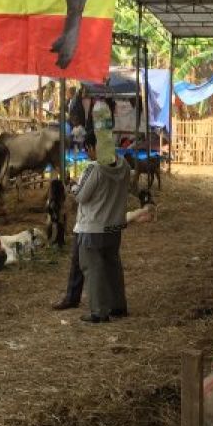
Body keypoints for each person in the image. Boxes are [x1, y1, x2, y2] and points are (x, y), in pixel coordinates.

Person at [70, 130, 131, 323]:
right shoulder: (124, 165)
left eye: (87, 149)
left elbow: (81, 196)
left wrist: (72, 186)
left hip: (93, 227)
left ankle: (99, 311)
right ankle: (118, 305)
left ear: (92, 147)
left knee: (93, 268)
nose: (87, 154)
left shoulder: (94, 168)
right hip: (114, 225)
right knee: (112, 265)